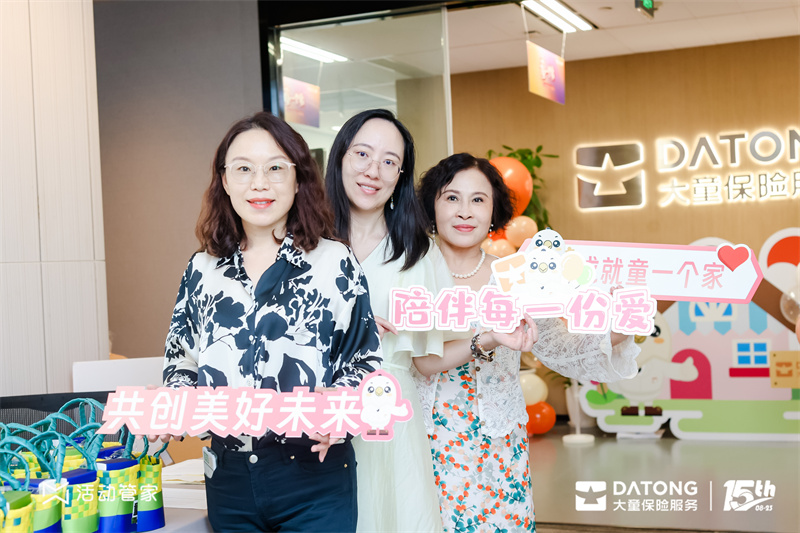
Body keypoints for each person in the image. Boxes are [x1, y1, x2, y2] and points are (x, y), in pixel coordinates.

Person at [162, 111, 382, 532]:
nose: (259, 183)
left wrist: (337, 412)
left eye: (275, 168)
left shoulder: (334, 261)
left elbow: (364, 361)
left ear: (298, 180)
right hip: (228, 478)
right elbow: (182, 361)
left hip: (314, 474)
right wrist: (173, 408)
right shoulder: (202, 268)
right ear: (225, 181)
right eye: (243, 169)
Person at [415, 153, 640, 532]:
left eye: (478, 199)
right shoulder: (411, 272)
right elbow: (419, 359)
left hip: (499, 443)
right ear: (431, 206)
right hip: (430, 439)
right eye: (452, 198)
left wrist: (619, 324)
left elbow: (559, 347)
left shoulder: (516, 277)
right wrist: (487, 338)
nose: (465, 211)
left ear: (494, 211)